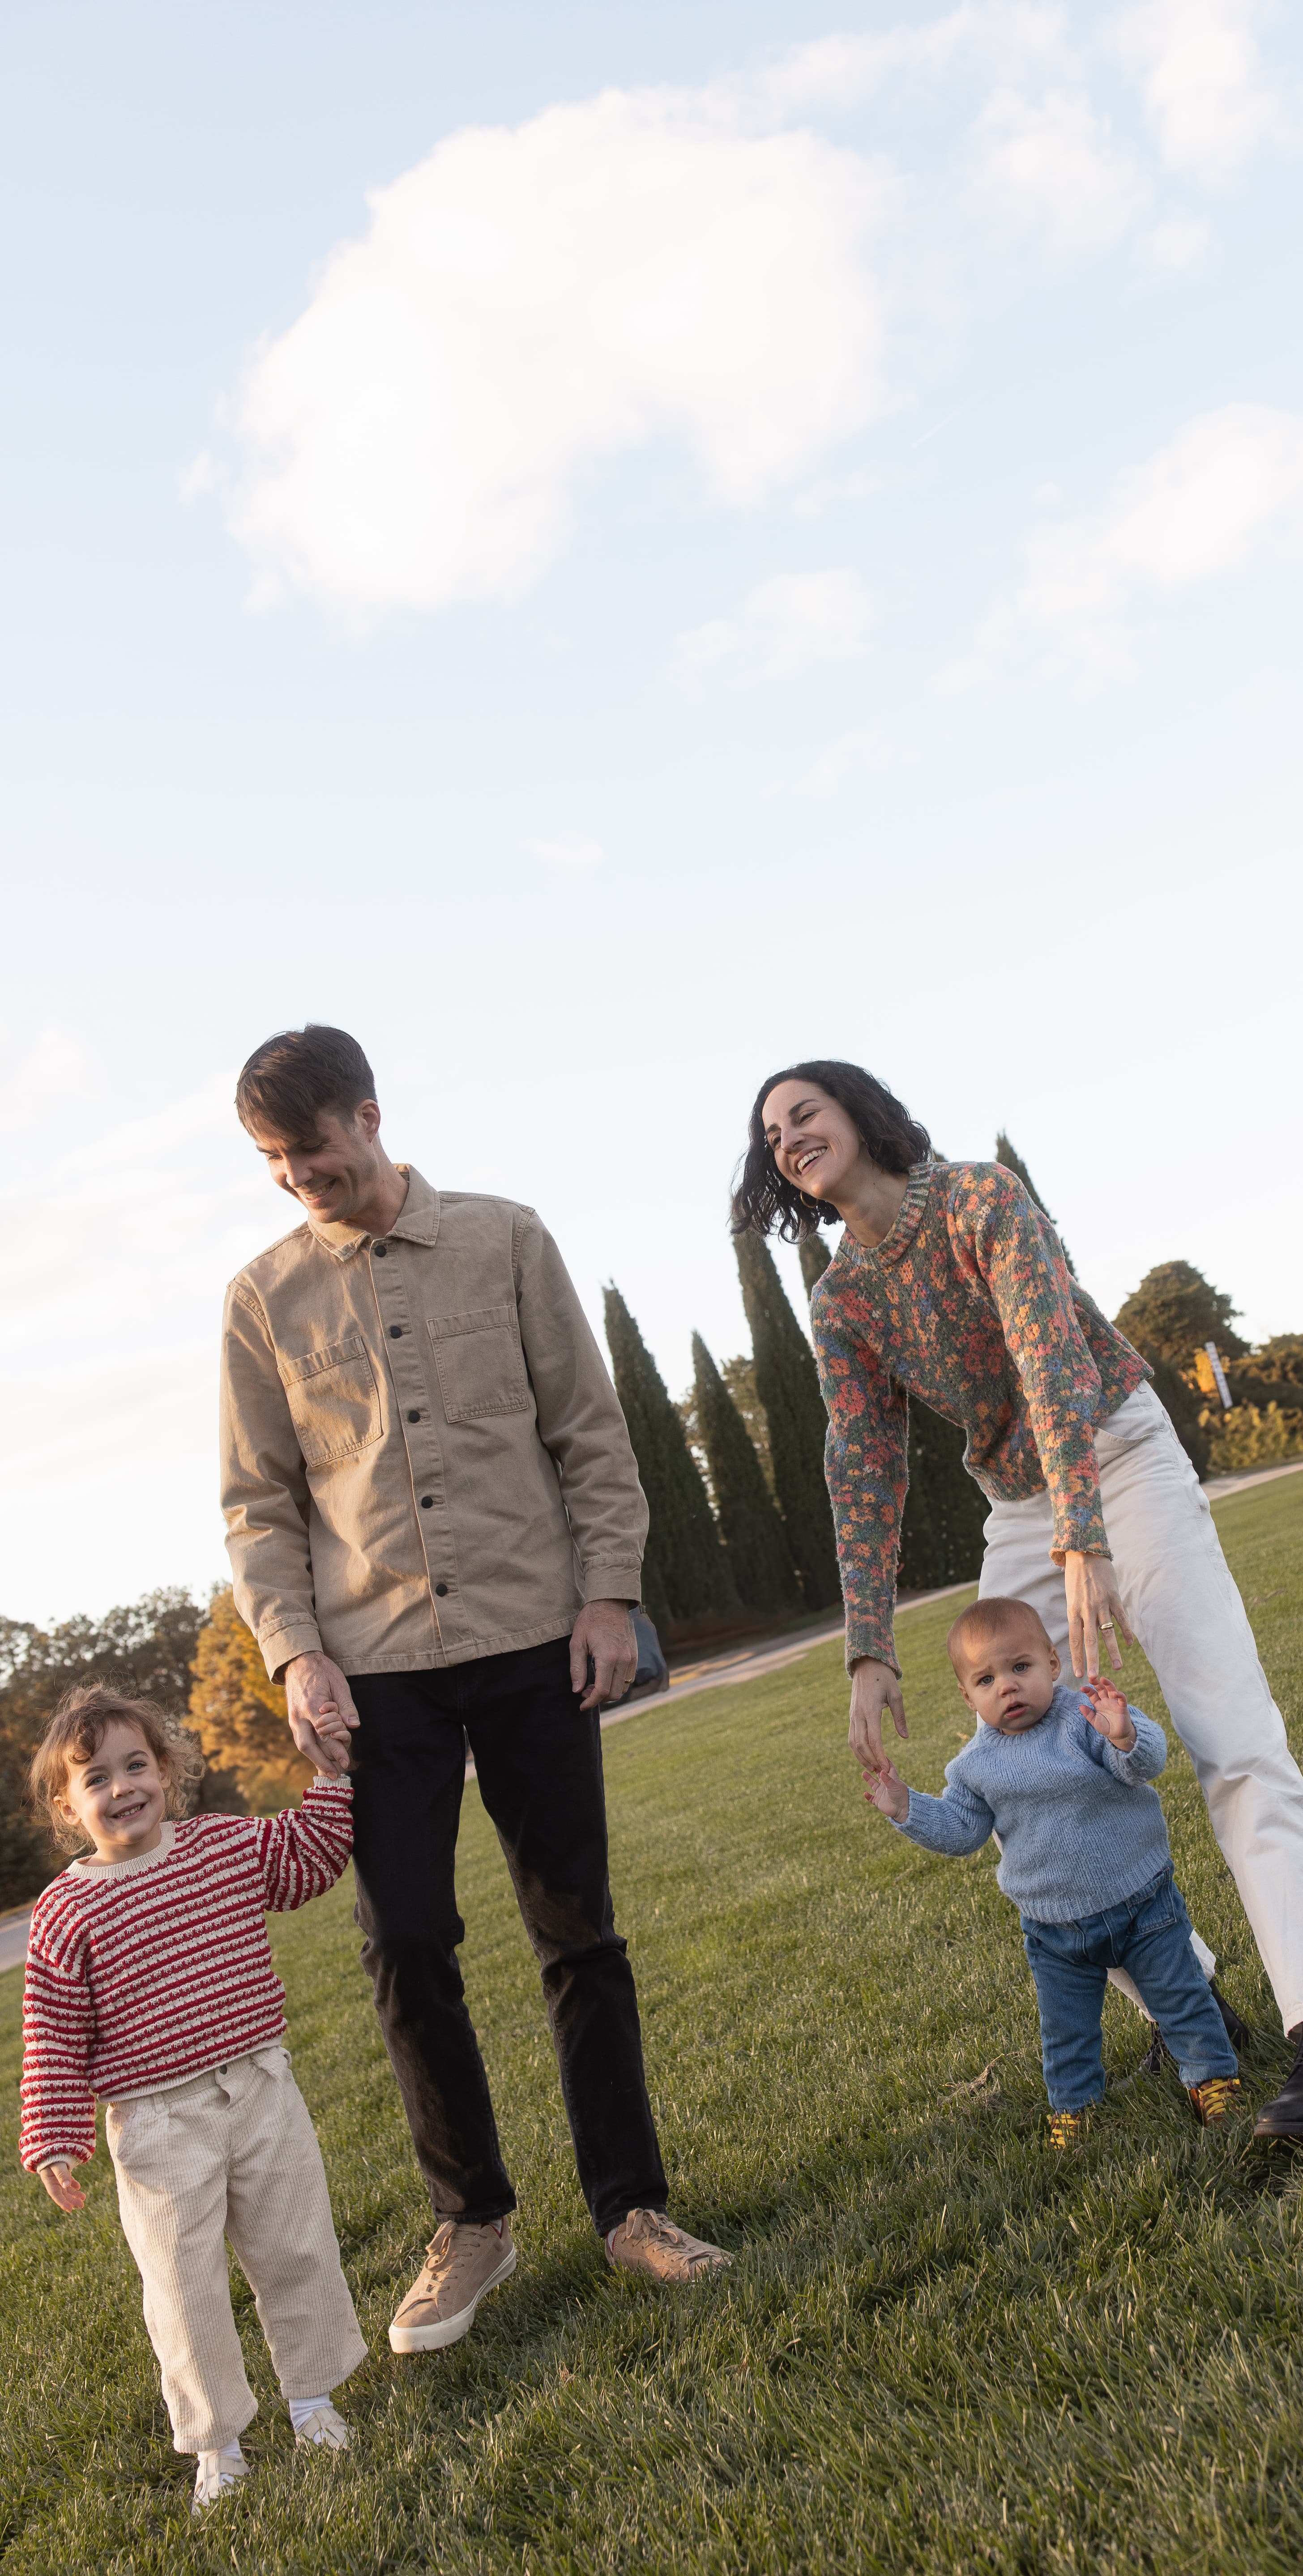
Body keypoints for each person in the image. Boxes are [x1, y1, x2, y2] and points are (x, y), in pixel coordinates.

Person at [733, 1060, 1303, 2139]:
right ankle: (1191, 2000)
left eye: (805, 1111)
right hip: (1014, 1500)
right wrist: (865, 1647)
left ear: (860, 1112)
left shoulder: (980, 1196)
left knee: (1229, 1737)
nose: (789, 1136)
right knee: (1015, 1770)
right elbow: (860, 1461)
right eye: (771, 1134)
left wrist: (1083, 1531)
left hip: (1117, 1452)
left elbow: (1049, 1363)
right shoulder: (839, 1299)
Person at [220, 1023, 727, 2357]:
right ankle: (474, 2224)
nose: (297, 1179)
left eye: (311, 1149)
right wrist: (293, 1650)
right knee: (405, 1947)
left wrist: (607, 1591)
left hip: (530, 1636)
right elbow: (258, 1506)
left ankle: (632, 2211)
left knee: (579, 1932)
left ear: (369, 1115)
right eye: (274, 1163)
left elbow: (588, 1429)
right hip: (371, 1670)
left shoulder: (506, 1237)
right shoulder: (261, 1298)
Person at [20, 1686, 365, 2515]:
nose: (122, 1785)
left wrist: (333, 1778)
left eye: (137, 1763)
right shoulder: (65, 1911)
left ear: (168, 1771)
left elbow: (306, 1857)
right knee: (183, 2284)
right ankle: (218, 2440)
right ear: (68, 1806)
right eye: (96, 1776)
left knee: (296, 2245)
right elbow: (54, 2034)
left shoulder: (220, 1846)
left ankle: (313, 2397)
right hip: (157, 2123)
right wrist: (54, 2135)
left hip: (258, 2088)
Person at [864, 1598, 1242, 2139]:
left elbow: (1142, 1768)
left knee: (1180, 1996)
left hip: (1142, 1903)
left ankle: (1213, 2081)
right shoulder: (974, 1767)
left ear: (1052, 1665)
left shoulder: (1083, 1720)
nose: (1008, 1687)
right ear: (967, 1696)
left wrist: (1125, 1734)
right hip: (1055, 1931)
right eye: (987, 1679)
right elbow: (963, 1831)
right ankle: (1075, 2111)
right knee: (1066, 2033)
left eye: (1020, 1668)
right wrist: (908, 1808)